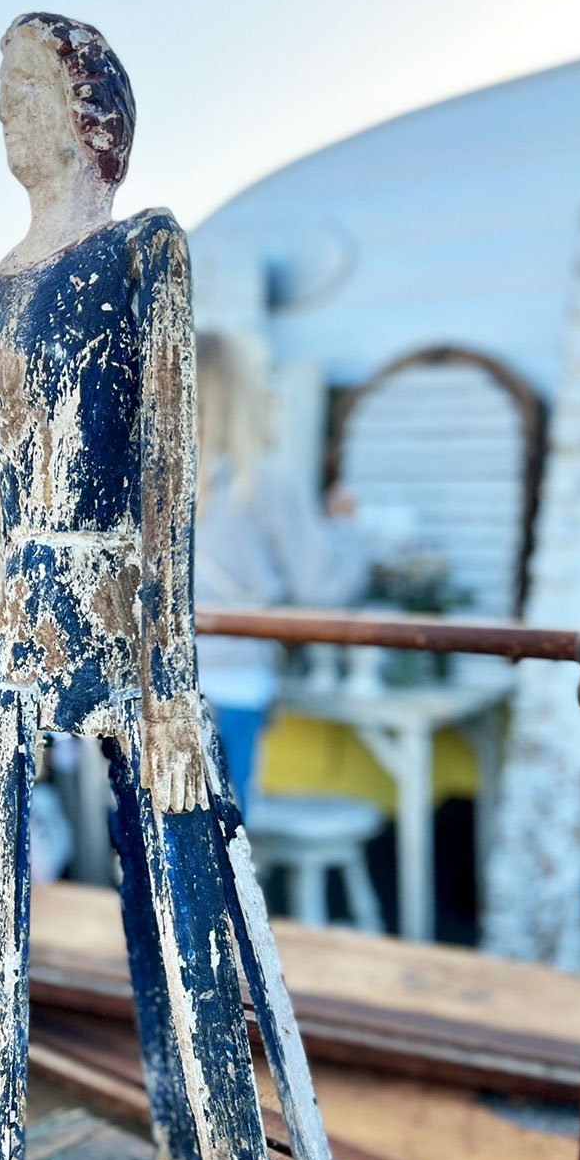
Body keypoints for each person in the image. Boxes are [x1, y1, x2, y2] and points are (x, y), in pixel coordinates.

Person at [0, 13, 351, 1160]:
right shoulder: (4, 280)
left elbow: (168, 476)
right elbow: (11, 486)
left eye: (29, 92)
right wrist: (7, 651)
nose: (10, 119)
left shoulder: (148, 252)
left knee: (180, 905)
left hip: (132, 614)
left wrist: (168, 678)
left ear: (88, 112)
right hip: (30, 613)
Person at [194, 333, 368, 811]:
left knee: (157, 848)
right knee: (225, 845)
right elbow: (324, 586)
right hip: (235, 685)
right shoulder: (264, 478)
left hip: (159, 687)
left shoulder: (154, 482)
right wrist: (347, 531)